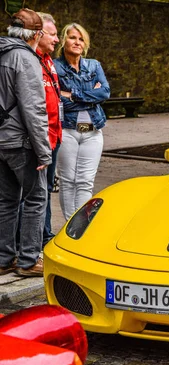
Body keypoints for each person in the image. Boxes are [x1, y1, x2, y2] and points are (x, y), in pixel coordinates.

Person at [0, 9, 51, 277]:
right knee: (35, 197)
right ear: (36, 34)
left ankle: (3, 257)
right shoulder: (25, 58)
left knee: (6, 200)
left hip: (1, 141)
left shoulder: (2, 53)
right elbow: (34, 109)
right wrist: (44, 153)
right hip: (20, 141)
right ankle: (29, 260)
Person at [54, 23, 110, 221]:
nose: (76, 42)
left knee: (86, 181)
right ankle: (70, 225)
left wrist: (72, 95)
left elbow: (104, 92)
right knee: (68, 181)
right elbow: (55, 100)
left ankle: (81, 224)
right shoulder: (55, 66)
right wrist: (90, 97)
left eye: (80, 39)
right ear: (63, 40)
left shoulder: (94, 65)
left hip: (93, 132)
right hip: (67, 130)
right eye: (72, 37)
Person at [36, 12, 62, 247]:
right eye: (52, 34)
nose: (57, 39)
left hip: (54, 136)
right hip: (39, 139)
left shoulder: (47, 60)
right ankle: (32, 242)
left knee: (45, 192)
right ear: (38, 33)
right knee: (35, 194)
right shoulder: (30, 60)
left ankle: (45, 235)